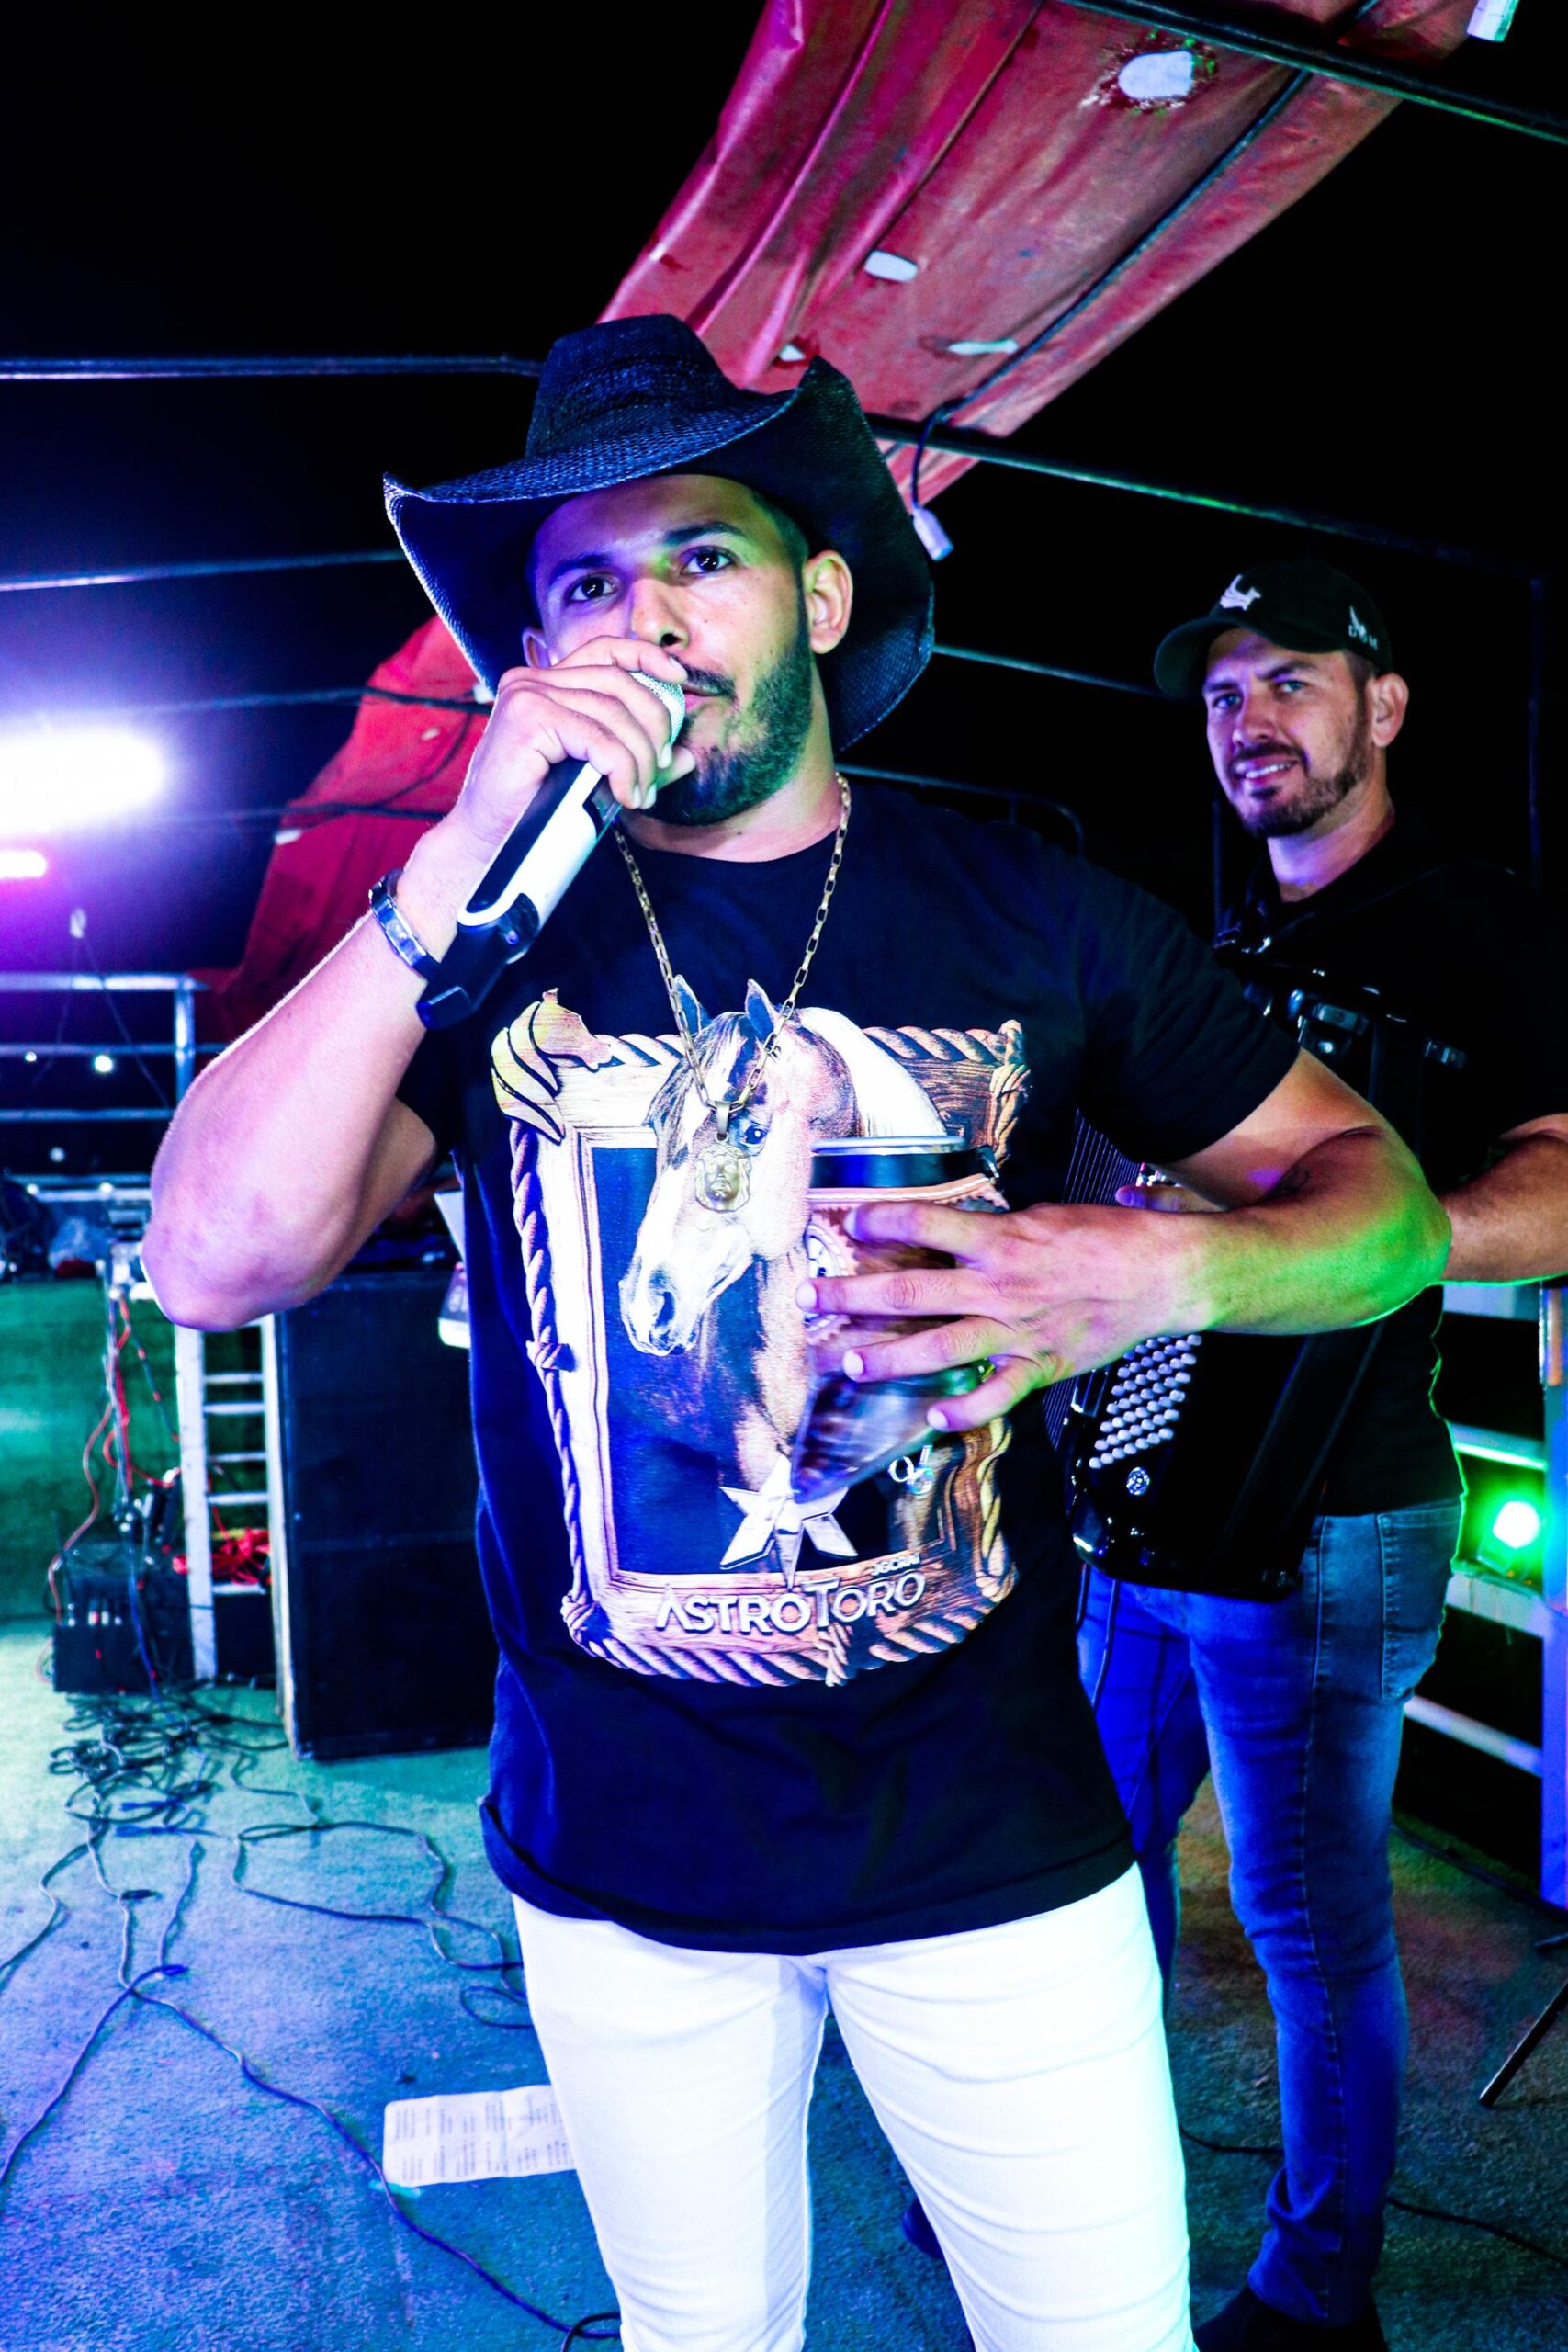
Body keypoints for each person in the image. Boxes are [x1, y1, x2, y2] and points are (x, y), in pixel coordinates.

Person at [143, 327, 1449, 2352]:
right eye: (587, 583)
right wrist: (449, 869)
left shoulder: (1031, 908)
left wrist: (1148, 1273)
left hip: (992, 1836)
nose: (644, 617)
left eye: (701, 556)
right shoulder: (486, 949)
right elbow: (214, 1261)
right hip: (621, 1850)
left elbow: (1384, 1211)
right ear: (534, 654)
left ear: (822, 597)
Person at [1076, 559, 1568, 2352]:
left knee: (1305, 1918)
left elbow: (1561, 1185)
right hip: (1147, 1494)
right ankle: (1072, 2193)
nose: (1247, 722)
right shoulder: (1219, 955)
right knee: (1087, 1856)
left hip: (1329, 1504)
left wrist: (1354, 1236)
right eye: (1221, 696)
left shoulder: (1477, 924)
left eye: (1289, 680)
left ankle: (1315, 2291)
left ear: (1385, 706)